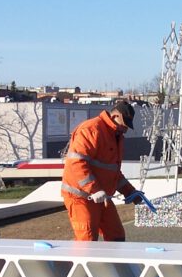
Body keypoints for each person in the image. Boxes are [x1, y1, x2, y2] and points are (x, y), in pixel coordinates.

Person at [61, 100, 144, 241]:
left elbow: (113, 173)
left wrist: (130, 192)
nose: (125, 129)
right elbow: (77, 163)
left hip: (101, 196)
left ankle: (113, 257)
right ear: (115, 116)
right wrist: (94, 190)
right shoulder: (91, 129)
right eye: (124, 125)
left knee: (116, 236)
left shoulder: (115, 136)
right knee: (87, 240)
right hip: (80, 196)